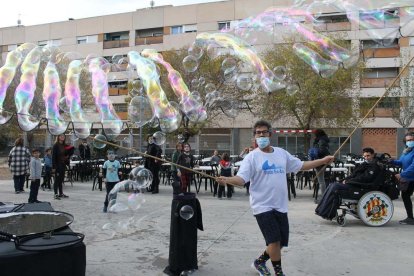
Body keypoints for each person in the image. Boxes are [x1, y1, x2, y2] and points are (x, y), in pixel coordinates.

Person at [216, 120, 334, 276]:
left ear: (270, 134)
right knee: (273, 241)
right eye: (258, 133)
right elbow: (241, 179)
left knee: (279, 243)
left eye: (264, 132)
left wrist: (323, 160)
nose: (261, 135)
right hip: (262, 206)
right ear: (254, 137)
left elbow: (302, 165)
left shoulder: (281, 153)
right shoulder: (251, 157)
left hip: (280, 205)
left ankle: (259, 262)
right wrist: (228, 180)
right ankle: (279, 273)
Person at [315, 147, 381, 220]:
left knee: (335, 187)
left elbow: (364, 178)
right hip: (354, 184)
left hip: (361, 187)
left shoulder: (375, 166)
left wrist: (349, 181)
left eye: (368, 156)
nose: (366, 158)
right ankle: (322, 211)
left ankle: (327, 212)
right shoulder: (364, 164)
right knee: (332, 184)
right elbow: (353, 175)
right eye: (365, 156)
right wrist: (344, 180)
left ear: (372, 155)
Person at [390, 132, 414, 225]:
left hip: (411, 177)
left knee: (406, 196)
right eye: (408, 140)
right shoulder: (407, 151)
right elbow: (401, 162)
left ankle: (410, 218)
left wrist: (402, 174)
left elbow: (413, 166)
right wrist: (392, 161)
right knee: (405, 196)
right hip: (409, 178)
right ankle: (410, 217)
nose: (410, 141)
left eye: (412, 140)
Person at [312, 129, 330, 202]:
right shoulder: (323, 140)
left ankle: (323, 198)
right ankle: (324, 197)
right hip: (321, 161)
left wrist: (315, 153)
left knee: (321, 181)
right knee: (321, 180)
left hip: (320, 161)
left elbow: (322, 151)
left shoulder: (321, 141)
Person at [52, 134, 70, 200]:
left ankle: (61, 193)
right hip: (57, 165)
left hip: (63, 164)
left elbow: (67, 153)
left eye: (63, 136)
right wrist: (53, 167)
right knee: (57, 179)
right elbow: (53, 157)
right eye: (61, 136)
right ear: (58, 137)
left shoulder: (64, 145)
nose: (62, 137)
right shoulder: (56, 145)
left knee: (61, 179)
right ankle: (55, 193)